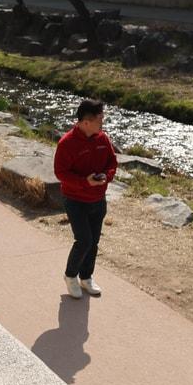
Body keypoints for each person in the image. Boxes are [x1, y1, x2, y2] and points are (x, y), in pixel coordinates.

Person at [52, 98, 118, 299]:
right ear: (87, 122)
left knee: (94, 241)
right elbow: (60, 173)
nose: (103, 122)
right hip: (75, 200)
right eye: (100, 119)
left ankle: (86, 277)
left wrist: (107, 176)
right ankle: (70, 276)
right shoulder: (67, 143)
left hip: (98, 200)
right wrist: (84, 182)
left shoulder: (102, 139)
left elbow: (112, 162)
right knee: (84, 240)